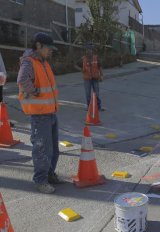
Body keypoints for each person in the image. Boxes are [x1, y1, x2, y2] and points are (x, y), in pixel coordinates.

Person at [17, 32, 64, 194]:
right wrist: (35, 92)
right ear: (38, 46)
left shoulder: (43, 62)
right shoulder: (29, 62)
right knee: (42, 149)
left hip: (50, 112)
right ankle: (40, 180)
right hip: (40, 114)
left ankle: (50, 174)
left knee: (53, 149)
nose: (51, 51)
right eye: (48, 48)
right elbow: (22, 80)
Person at [74, 45, 104, 111]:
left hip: (95, 78)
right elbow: (75, 64)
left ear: (92, 50)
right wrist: (81, 69)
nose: (89, 51)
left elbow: (100, 67)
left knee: (97, 93)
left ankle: (98, 107)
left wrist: (101, 75)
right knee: (88, 94)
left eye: (90, 49)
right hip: (87, 79)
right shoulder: (83, 59)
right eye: (87, 49)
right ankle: (89, 107)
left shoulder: (96, 58)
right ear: (86, 51)